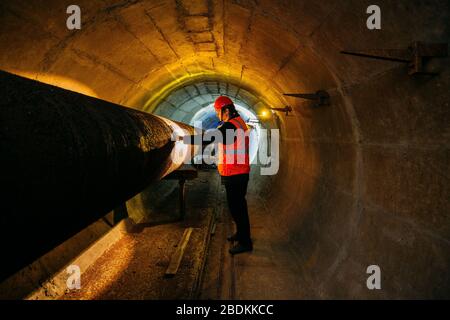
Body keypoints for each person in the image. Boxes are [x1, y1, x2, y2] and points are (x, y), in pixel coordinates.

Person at [181, 96, 253, 255]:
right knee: (237, 207)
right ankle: (241, 235)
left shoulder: (230, 127)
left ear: (226, 110)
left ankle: (245, 242)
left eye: (217, 111)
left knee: (238, 208)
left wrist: (184, 139)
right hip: (236, 172)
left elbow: (208, 138)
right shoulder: (237, 123)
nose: (216, 114)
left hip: (235, 173)